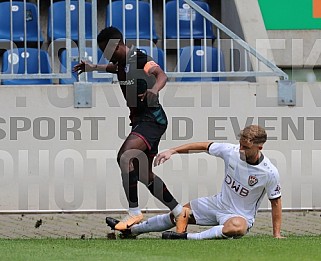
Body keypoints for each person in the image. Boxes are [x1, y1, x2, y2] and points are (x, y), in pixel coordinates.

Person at [73, 26, 186, 231]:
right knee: (144, 175)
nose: (104, 55)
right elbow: (114, 68)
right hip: (142, 121)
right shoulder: (120, 62)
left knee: (125, 156)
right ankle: (180, 212)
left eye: (105, 51)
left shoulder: (139, 57)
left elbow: (161, 74)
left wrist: (154, 88)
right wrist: (91, 67)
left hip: (152, 119)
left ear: (116, 46)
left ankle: (134, 212)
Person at [106, 125, 284, 239]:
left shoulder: (269, 172)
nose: (240, 149)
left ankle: (187, 237)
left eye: (246, 147)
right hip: (217, 204)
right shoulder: (231, 151)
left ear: (259, 147)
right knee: (179, 214)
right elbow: (202, 146)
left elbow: (275, 202)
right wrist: (173, 151)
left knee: (237, 228)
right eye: (240, 144)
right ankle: (131, 231)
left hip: (239, 216)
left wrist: (276, 234)